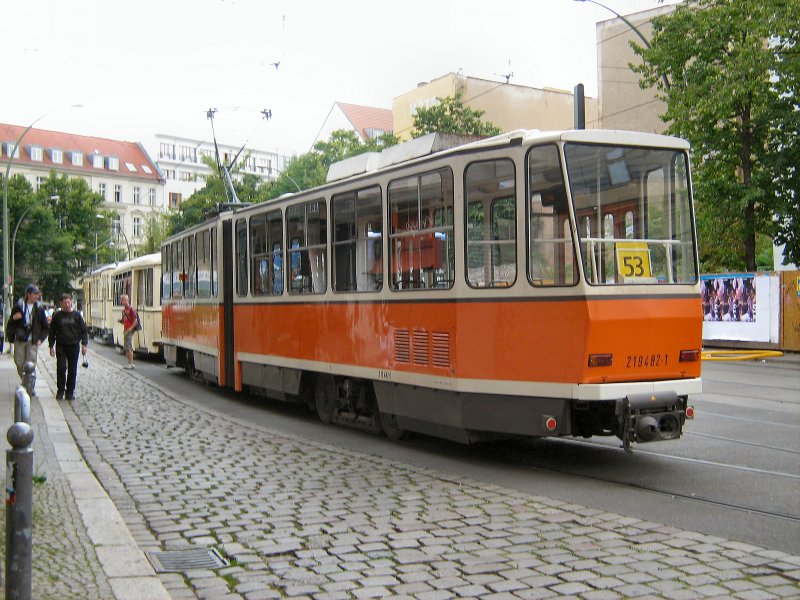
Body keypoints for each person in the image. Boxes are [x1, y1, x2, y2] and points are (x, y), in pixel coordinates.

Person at [7, 284, 50, 392]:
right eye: (35, 294)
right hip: (20, 339)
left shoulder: (39, 309)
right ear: (28, 294)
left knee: (31, 364)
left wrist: (40, 339)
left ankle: (30, 386)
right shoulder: (19, 306)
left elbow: (45, 327)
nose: (37, 296)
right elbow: (10, 323)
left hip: (33, 340)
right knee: (19, 362)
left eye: (37, 294)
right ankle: (25, 381)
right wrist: (13, 319)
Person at [48, 293, 88, 401]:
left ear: (71, 302)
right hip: (61, 345)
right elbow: (52, 332)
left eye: (69, 302)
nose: (67, 305)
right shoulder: (57, 316)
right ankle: (60, 390)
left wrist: (84, 344)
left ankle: (70, 391)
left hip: (74, 345)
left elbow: (84, 331)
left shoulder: (77, 316)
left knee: (72, 369)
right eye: (65, 303)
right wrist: (51, 346)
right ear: (61, 303)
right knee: (61, 368)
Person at [120, 294, 137, 369]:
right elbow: (124, 321)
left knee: (128, 346)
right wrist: (120, 321)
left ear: (126, 300)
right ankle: (130, 363)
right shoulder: (124, 310)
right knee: (127, 346)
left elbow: (135, 321)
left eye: (123, 300)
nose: (122, 302)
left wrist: (130, 329)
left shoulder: (131, 309)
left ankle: (131, 363)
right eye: (122, 300)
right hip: (126, 329)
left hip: (129, 330)